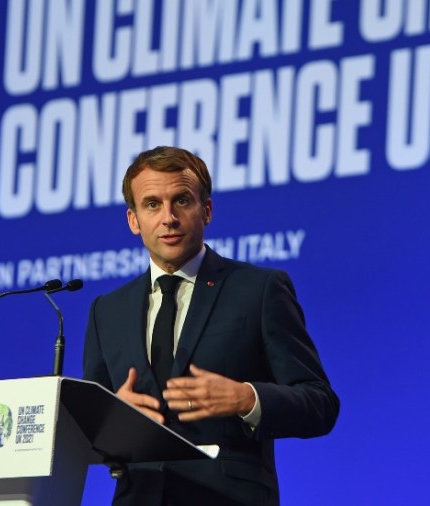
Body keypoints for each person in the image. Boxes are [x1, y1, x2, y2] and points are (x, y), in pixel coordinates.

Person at [83, 146, 340, 505]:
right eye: (152, 204)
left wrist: (246, 398)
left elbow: (320, 403)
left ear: (206, 210)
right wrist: (113, 419)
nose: (168, 217)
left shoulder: (259, 290)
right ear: (134, 220)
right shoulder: (106, 311)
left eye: (182, 201)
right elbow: (87, 435)